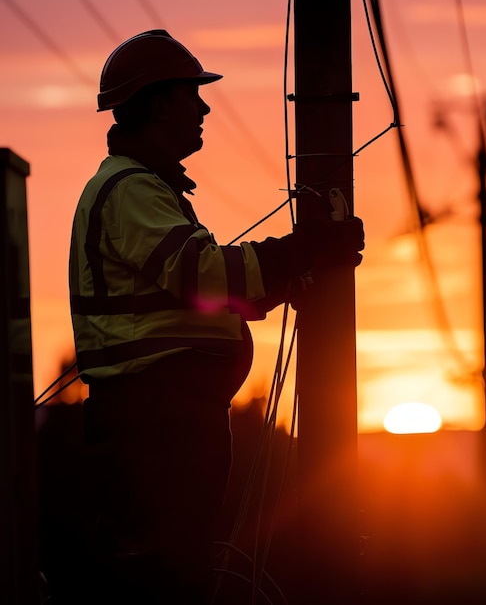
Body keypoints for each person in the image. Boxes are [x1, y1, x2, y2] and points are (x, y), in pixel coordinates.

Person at [68, 29, 364, 604]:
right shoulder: (129, 189)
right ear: (157, 103)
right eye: (191, 95)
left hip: (163, 417)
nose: (203, 107)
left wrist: (295, 268)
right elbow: (204, 274)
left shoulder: (146, 189)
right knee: (163, 582)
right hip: (153, 420)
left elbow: (212, 293)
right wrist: (303, 251)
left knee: (174, 574)